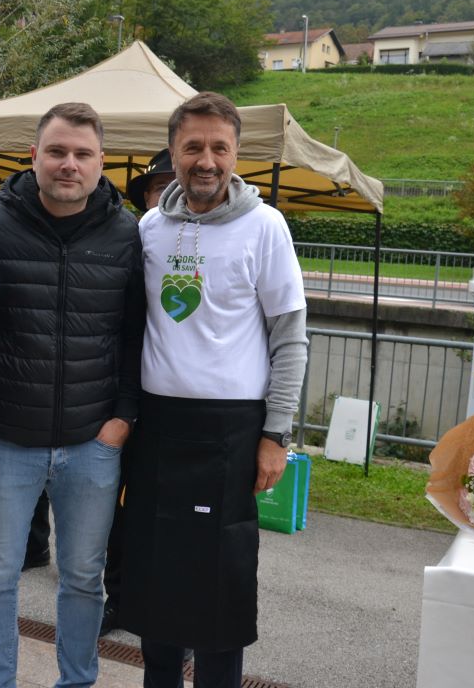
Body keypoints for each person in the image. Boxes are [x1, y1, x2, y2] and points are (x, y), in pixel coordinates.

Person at [119, 92, 308, 687]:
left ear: (236, 155)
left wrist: (276, 435)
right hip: (157, 429)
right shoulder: (149, 227)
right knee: (156, 582)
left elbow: (290, 339)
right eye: (193, 147)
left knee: (219, 588)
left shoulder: (265, 225)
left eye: (219, 148)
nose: (206, 160)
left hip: (231, 432)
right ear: (172, 152)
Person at [0, 102, 144, 687]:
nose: (69, 164)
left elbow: (134, 335)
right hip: (4, 437)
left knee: (83, 579)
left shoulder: (125, 232)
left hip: (92, 441)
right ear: (34, 156)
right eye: (57, 151)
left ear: (101, 163)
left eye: (82, 154)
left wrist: (123, 418)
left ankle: (77, 680)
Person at [98, 146, 178, 636]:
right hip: (125, 397)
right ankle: (119, 599)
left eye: (174, 186)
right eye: (158, 188)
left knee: (175, 516)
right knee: (118, 511)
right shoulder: (131, 240)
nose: (167, 196)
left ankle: (172, 613)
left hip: (180, 407)